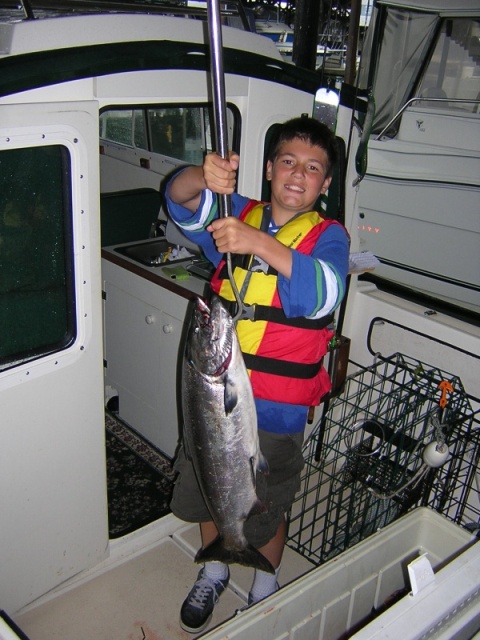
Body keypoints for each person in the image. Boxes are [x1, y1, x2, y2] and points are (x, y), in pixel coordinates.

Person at [165, 116, 349, 634]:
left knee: (266, 503)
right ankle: (216, 564)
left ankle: (264, 586)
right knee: (210, 485)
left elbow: (325, 293)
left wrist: (257, 242)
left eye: (313, 168)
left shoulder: (328, 237)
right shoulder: (235, 213)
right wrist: (204, 178)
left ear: (325, 184)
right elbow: (178, 199)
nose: (298, 174)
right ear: (268, 169)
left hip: (276, 409)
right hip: (211, 393)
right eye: (287, 161)